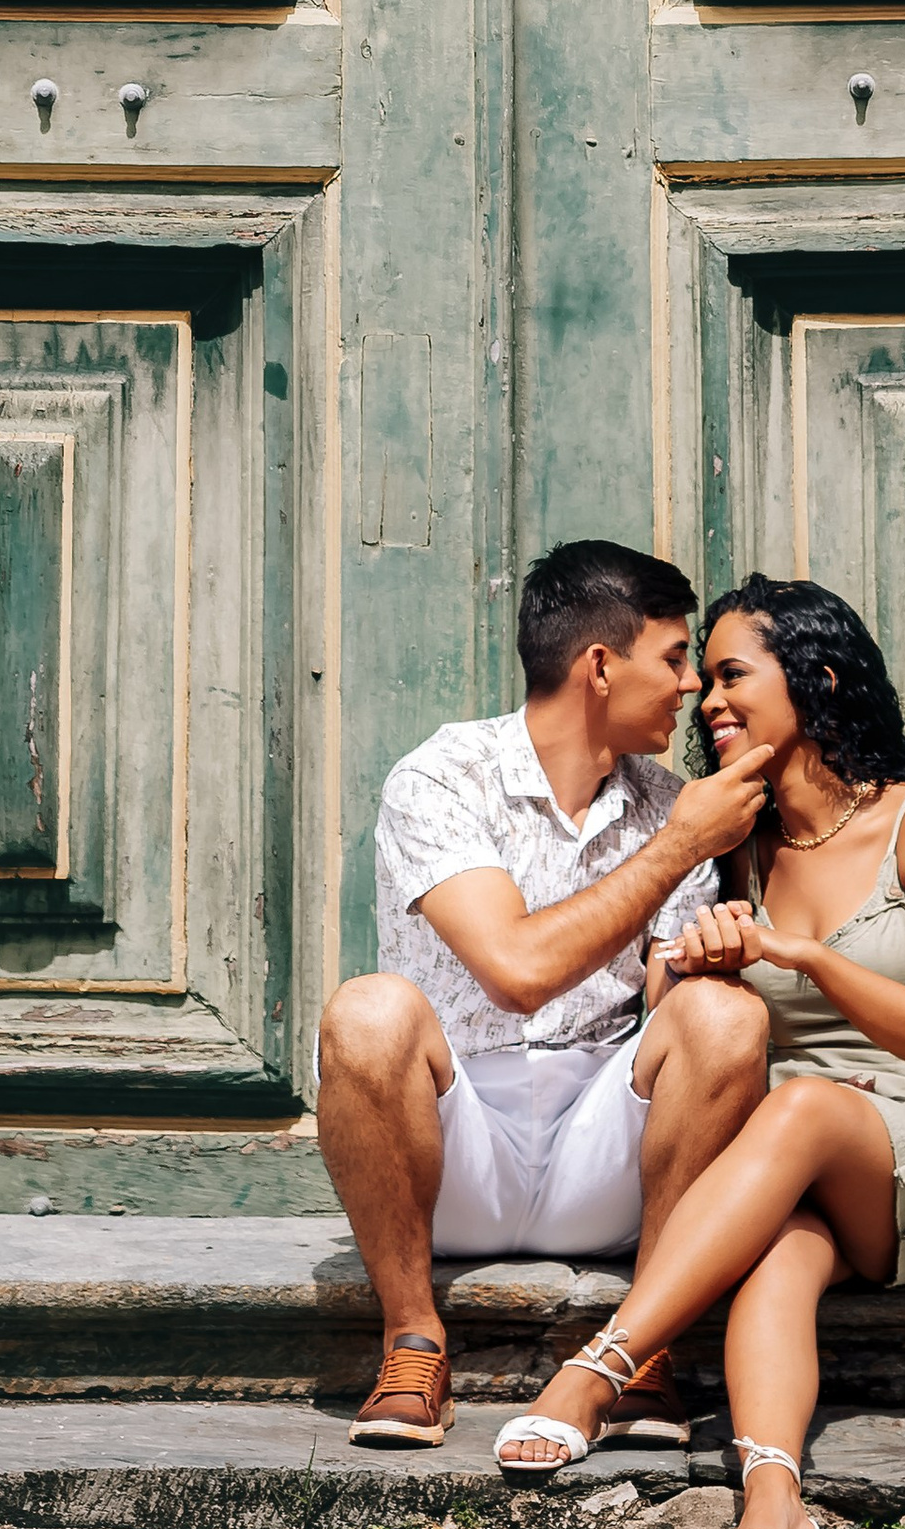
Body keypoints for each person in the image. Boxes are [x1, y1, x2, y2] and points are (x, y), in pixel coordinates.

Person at [489, 573, 905, 1529]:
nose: (707, 701)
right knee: (778, 1257)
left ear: (819, 677)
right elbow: (675, 1028)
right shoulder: (735, 850)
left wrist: (809, 958)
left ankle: (601, 1365)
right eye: (705, 681)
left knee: (806, 1104)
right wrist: (693, 960)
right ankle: (776, 1502)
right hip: (795, 1160)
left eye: (733, 674)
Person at [316, 539, 783, 1449]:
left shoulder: (668, 802)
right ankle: (412, 1338)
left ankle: (642, 1348)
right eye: (676, 657)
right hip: (455, 1152)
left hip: (601, 1152)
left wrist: (706, 958)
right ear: (600, 666)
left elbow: (667, 995)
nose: (691, 687)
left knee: (727, 1014)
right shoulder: (442, 777)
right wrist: (679, 848)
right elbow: (516, 971)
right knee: (367, 1009)